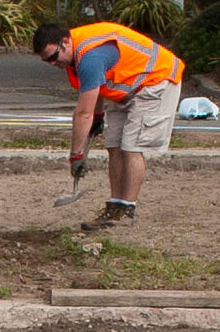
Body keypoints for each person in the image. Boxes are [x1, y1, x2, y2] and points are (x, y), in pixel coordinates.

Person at [32, 15, 186, 222]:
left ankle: (126, 210)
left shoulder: (90, 56)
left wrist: (76, 154)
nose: (53, 63)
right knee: (114, 145)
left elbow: (82, 113)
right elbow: (94, 92)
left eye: (54, 56)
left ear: (65, 42)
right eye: (47, 61)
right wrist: (97, 118)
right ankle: (115, 205)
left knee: (131, 147)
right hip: (129, 90)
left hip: (157, 81)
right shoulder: (75, 56)